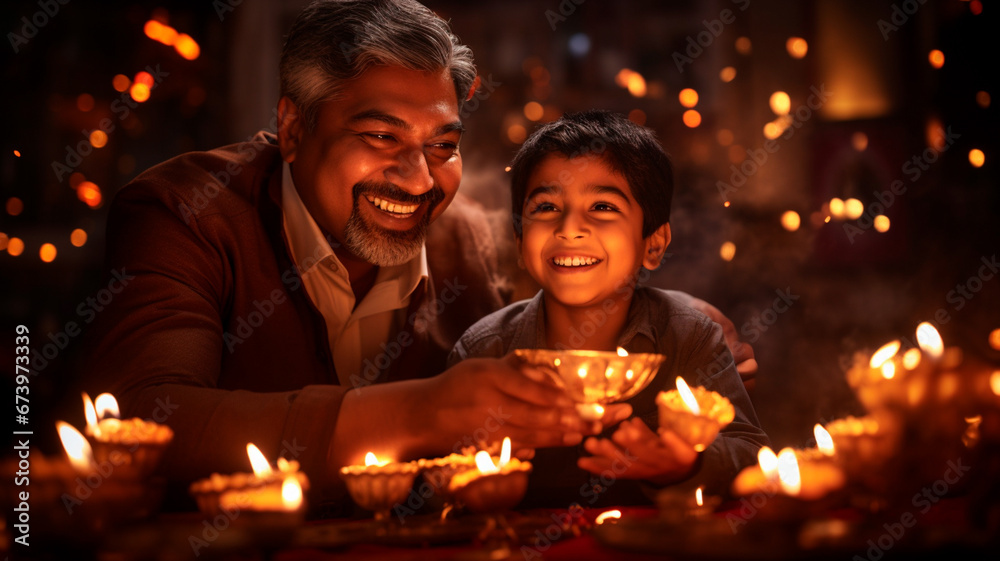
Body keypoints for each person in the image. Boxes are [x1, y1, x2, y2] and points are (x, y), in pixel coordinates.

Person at [77, 0, 755, 510]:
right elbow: (141, 417)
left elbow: (577, 269)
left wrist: (670, 315)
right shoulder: (186, 212)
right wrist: (422, 412)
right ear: (292, 127)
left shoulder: (462, 234)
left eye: (442, 145)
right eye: (381, 136)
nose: (419, 179)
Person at [448, 111, 769, 506]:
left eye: (602, 207)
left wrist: (686, 465)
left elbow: (751, 455)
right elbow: (432, 481)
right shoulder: (485, 351)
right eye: (546, 207)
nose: (569, 229)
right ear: (519, 243)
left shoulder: (689, 338)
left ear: (653, 244)